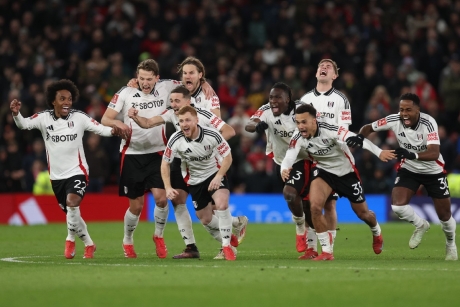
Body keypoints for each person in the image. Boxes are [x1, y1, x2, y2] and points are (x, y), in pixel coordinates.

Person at [101, 59, 214, 259]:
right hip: (131, 154)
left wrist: (204, 83)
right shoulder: (125, 92)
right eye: (141, 78)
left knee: (162, 200)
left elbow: (189, 82)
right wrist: (119, 124)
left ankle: (158, 236)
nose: (145, 83)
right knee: (136, 207)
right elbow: (105, 119)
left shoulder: (166, 86)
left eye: (149, 79)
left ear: (157, 78)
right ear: (137, 77)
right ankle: (128, 240)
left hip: (158, 153)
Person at [128, 85, 248, 257]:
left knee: (218, 206)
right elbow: (147, 123)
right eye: (171, 101)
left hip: (210, 163)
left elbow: (229, 131)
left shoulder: (204, 116)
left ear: (189, 101)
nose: (174, 104)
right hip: (185, 162)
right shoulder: (172, 117)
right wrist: (135, 117)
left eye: (177, 101)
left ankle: (227, 243)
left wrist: (208, 146)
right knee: (187, 205)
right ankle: (194, 245)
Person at [10, 79, 123, 259]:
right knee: (73, 214)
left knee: (72, 203)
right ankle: (89, 244)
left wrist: (114, 130)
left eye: (69, 99)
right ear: (53, 101)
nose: (67, 102)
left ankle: (69, 240)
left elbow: (100, 129)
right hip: (56, 177)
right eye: (62, 99)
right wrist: (16, 114)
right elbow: (23, 124)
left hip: (77, 171)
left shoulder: (79, 117)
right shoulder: (43, 118)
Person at [281, 104, 393, 260]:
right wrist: (284, 169)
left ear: (314, 121)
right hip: (323, 171)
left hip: (346, 173)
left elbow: (356, 139)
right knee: (314, 207)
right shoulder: (297, 136)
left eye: (304, 122)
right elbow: (288, 157)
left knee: (363, 214)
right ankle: (326, 252)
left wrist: (379, 152)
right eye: (298, 122)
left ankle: (376, 231)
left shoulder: (330, 129)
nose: (300, 126)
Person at [357, 93, 458, 261]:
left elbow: (434, 152)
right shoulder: (394, 119)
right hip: (410, 168)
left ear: (418, 109)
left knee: (444, 215)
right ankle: (420, 225)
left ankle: (450, 243)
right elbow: (368, 127)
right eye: (402, 109)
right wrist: (360, 137)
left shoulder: (428, 122)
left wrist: (412, 154)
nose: (404, 113)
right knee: (397, 207)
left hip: (433, 171)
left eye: (408, 110)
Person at [245, 82, 312, 258]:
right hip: (279, 160)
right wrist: (256, 126)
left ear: (288, 100)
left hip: (302, 159)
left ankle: (301, 228)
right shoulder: (266, 110)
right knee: (298, 201)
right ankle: (304, 229)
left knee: (290, 194)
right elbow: (249, 124)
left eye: (277, 98)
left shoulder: (301, 110)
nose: (273, 101)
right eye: (271, 97)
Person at [161, 106, 237, 260]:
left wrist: (218, 176)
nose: (184, 124)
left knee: (222, 205)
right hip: (194, 180)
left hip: (214, 174)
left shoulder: (212, 135)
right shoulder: (175, 139)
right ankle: (229, 232)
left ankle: (227, 246)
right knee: (205, 219)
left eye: (188, 120)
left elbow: (228, 158)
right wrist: (168, 187)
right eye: (181, 121)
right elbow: (164, 164)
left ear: (196, 120)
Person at [298, 59, 352, 259]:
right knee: (308, 203)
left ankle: (329, 248)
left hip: (331, 158)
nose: (324, 67)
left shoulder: (341, 99)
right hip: (309, 157)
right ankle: (312, 248)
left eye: (329, 67)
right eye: (321, 65)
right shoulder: (305, 99)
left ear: (334, 76)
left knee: (329, 204)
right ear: (316, 73)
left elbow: (344, 130)